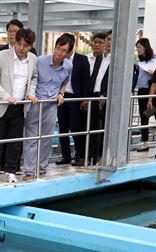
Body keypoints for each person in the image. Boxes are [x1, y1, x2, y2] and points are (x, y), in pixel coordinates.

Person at [0, 28, 38, 186]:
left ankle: (11, 171)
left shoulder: (33, 59)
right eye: (19, 44)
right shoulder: (1, 56)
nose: (22, 48)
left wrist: (30, 93)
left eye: (26, 46)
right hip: (1, 104)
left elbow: (34, 78)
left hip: (20, 105)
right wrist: (5, 96)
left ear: (31, 46)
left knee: (15, 142)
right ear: (15, 41)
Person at [23, 34, 73, 180]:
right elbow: (30, 79)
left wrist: (61, 93)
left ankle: (42, 169)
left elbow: (65, 81)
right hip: (35, 104)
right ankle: (29, 171)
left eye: (63, 51)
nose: (59, 53)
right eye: (58, 48)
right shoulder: (40, 61)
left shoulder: (68, 65)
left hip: (51, 105)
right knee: (31, 138)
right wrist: (30, 94)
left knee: (46, 139)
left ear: (68, 53)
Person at [56, 37, 90, 166]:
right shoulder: (59, 60)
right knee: (62, 128)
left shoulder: (82, 59)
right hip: (61, 97)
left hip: (75, 98)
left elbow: (86, 80)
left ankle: (80, 156)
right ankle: (66, 156)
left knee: (76, 128)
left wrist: (84, 99)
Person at [87, 30, 112, 165]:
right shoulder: (100, 58)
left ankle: (100, 156)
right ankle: (91, 156)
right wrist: (86, 97)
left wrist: (106, 94)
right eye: (108, 39)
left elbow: (117, 81)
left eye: (112, 40)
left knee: (103, 129)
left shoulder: (118, 60)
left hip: (106, 98)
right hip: (94, 97)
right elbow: (93, 79)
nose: (109, 42)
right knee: (91, 128)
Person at [135, 38, 156, 152]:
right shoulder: (138, 61)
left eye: (139, 47)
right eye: (137, 48)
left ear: (145, 47)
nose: (138, 50)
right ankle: (145, 143)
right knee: (144, 116)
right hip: (142, 90)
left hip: (155, 90)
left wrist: (155, 73)